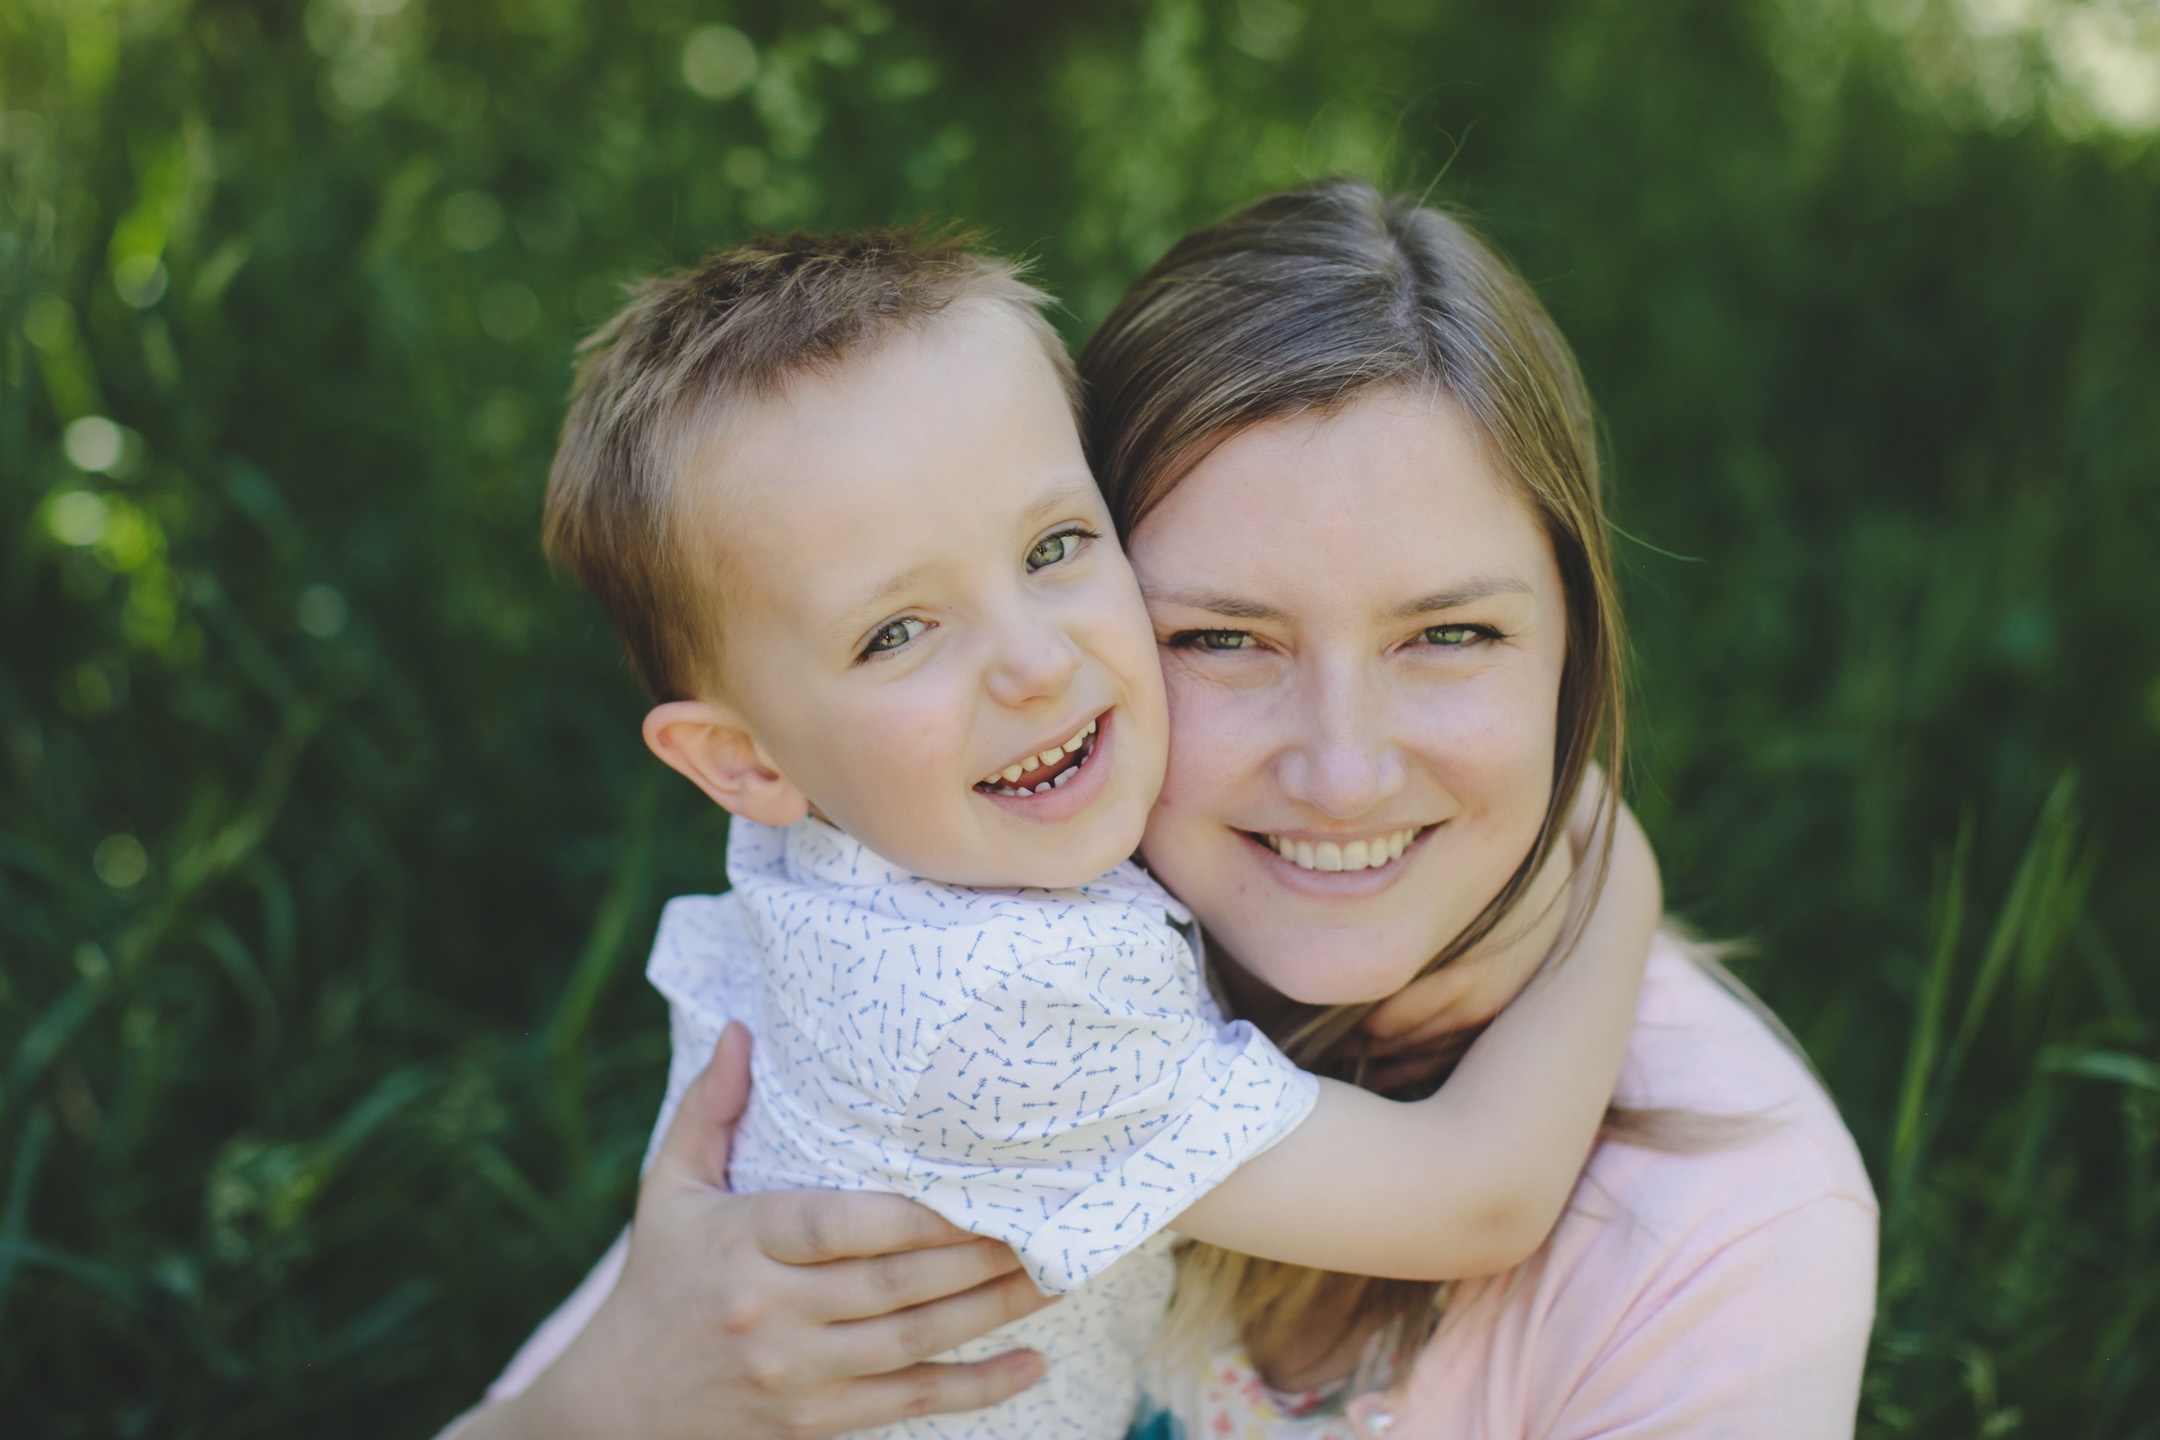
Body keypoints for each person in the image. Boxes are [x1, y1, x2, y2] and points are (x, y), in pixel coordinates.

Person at [452, 182, 1876, 1440]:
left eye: (1448, 636)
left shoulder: (1731, 1238)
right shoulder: (990, 969)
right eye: (1223, 639)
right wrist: (615, 1400)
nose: (1342, 771)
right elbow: (1478, 1195)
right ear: (747, 761)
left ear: (1578, 639)